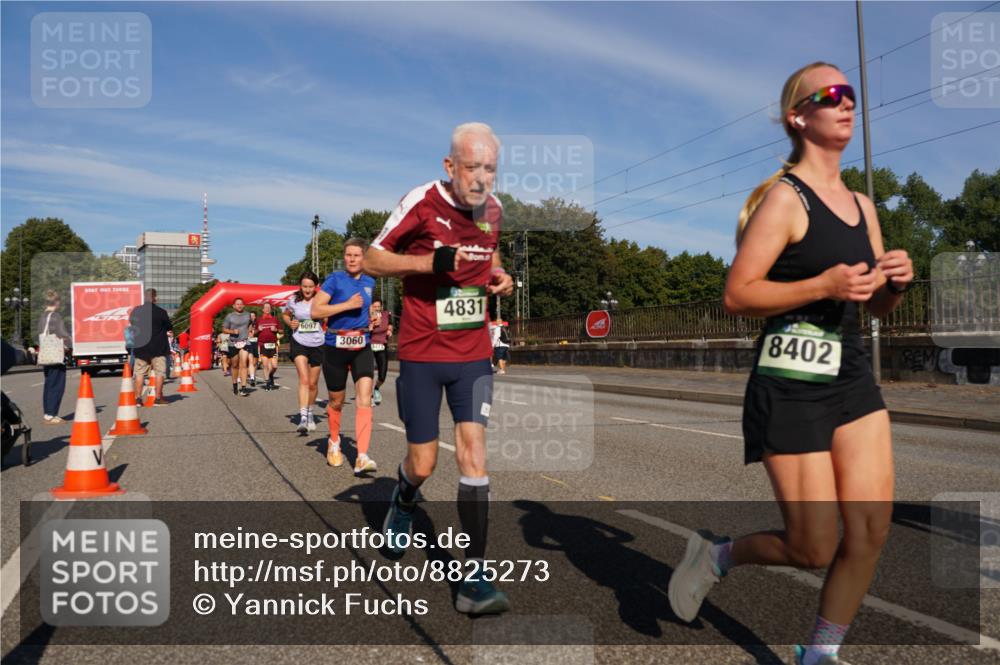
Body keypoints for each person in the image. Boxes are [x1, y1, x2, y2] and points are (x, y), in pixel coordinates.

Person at [667, 63, 913, 665]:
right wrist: (823, 285)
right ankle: (719, 556)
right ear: (798, 117)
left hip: (850, 377)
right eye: (832, 96)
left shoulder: (860, 204)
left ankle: (819, 654)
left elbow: (875, 299)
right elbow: (738, 294)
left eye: (851, 94)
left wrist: (895, 285)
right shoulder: (784, 200)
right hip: (791, 383)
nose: (847, 103)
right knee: (813, 546)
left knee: (871, 532)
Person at [365, 122, 514, 615]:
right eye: (472, 167)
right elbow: (371, 259)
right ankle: (404, 496)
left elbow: (484, 262)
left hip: (472, 354)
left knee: (474, 454)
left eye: (490, 168)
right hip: (424, 354)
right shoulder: (421, 202)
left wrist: (498, 277)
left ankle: (474, 575)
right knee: (424, 462)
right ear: (450, 166)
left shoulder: (493, 210)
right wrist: (430, 264)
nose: (481, 178)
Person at [311, 238, 378, 475]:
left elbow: (366, 307)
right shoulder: (335, 280)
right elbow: (315, 310)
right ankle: (334, 442)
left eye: (356, 255)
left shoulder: (371, 281)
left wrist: (372, 318)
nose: (351, 259)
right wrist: (346, 305)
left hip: (362, 344)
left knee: (364, 398)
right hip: (335, 345)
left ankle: (361, 455)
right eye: (348, 255)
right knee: (337, 401)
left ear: (364, 258)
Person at [283, 271, 325, 432]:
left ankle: (310, 412)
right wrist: (290, 323)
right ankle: (303, 418)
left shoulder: (321, 299)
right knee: (304, 379)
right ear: (300, 286)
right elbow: (286, 314)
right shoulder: (293, 299)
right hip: (299, 341)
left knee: (313, 384)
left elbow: (329, 316)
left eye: (310, 287)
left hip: (318, 343)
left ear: (316, 287)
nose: (307, 290)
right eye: (304, 286)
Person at [130, 288, 173, 406]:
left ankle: (138, 399)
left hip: (141, 347)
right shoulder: (161, 312)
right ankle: (158, 398)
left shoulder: (136, 311)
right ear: (155, 298)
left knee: (139, 373)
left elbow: (132, 323)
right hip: (158, 348)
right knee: (159, 373)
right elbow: (169, 327)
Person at [37, 290, 71, 423]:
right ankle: (52, 414)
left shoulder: (42, 317)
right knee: (57, 384)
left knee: (49, 384)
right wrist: (69, 340)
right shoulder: (55, 316)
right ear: (56, 302)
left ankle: (48, 413)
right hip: (56, 355)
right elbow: (62, 333)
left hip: (46, 354)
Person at [222, 298, 253, 396]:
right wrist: (232, 331)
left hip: (244, 341)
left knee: (244, 363)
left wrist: (250, 332)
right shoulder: (229, 316)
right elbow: (224, 329)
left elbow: (251, 325)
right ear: (234, 306)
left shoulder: (248, 315)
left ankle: (243, 387)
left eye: (241, 304)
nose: (239, 305)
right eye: (237, 304)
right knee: (234, 365)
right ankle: (235, 384)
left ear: (243, 305)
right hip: (233, 342)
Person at [369, 298, 393, 406]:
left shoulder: (386, 314)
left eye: (379, 307)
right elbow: (364, 329)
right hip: (369, 346)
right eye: (375, 306)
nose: (377, 309)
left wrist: (389, 330)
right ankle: (368, 395)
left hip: (382, 346)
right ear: (371, 307)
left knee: (382, 375)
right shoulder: (367, 317)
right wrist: (372, 324)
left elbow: (390, 324)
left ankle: (376, 388)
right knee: (368, 373)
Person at [257, 303, 281, 391]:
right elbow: (252, 333)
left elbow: (282, 331)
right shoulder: (258, 320)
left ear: (270, 309)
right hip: (262, 344)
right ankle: (267, 383)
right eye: (265, 307)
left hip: (273, 345)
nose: (267, 309)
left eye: (269, 308)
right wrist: (257, 330)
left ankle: (271, 375)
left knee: (274, 366)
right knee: (265, 365)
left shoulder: (275, 320)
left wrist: (276, 330)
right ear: (263, 309)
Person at [247, 311, 260, 387]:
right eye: (250, 316)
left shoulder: (258, 324)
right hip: (248, 342)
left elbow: (259, 331)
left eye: (253, 316)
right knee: (249, 360)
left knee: (255, 362)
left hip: (255, 342)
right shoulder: (246, 324)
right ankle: (250, 375)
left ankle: (253, 375)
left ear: (255, 317)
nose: (252, 317)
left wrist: (256, 331)